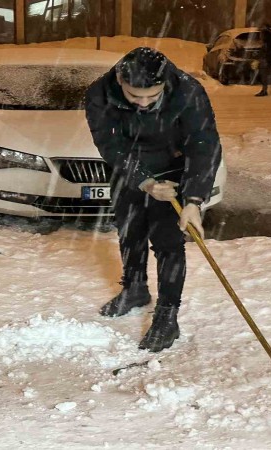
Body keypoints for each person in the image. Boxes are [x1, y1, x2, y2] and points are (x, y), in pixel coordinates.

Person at [84, 47, 223, 353]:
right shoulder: (99, 93)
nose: (144, 104)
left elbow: (204, 143)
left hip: (174, 170)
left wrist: (193, 199)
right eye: (135, 97)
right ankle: (134, 289)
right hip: (129, 170)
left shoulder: (187, 91)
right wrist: (145, 182)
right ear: (121, 81)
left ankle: (167, 315)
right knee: (130, 231)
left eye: (152, 96)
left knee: (168, 243)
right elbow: (110, 145)